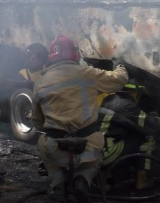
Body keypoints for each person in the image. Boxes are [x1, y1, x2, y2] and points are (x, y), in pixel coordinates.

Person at [33, 35, 128, 202]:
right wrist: (120, 65)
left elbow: (37, 122)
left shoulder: (40, 83)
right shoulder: (87, 74)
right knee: (97, 150)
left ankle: (58, 182)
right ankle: (83, 178)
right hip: (87, 149)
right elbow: (120, 79)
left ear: (51, 57)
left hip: (56, 149)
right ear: (75, 54)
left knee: (42, 142)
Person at [98, 78, 160, 190]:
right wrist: (153, 113)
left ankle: (105, 179)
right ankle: (142, 179)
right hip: (107, 153)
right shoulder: (127, 105)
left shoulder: (108, 99)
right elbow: (152, 126)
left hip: (95, 150)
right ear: (135, 92)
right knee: (147, 135)